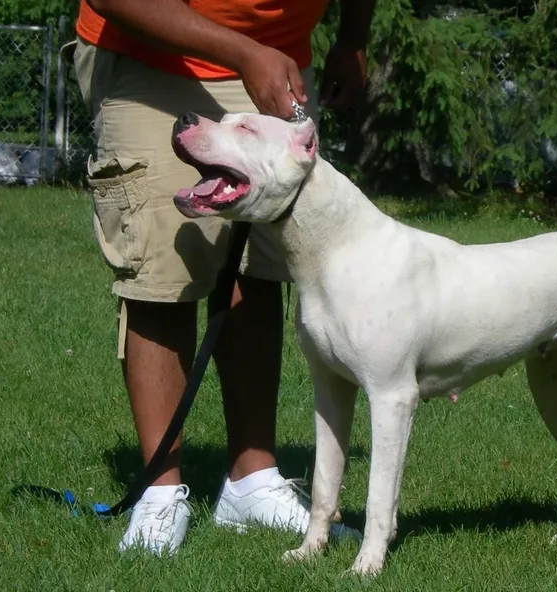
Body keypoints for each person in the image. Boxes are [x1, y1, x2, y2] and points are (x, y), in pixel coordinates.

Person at [71, 0, 376, 555]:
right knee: (161, 268)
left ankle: (252, 481)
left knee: (264, 265)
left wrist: (351, 39)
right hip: (153, 56)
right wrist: (241, 51)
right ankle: (160, 494)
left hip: (274, 60)